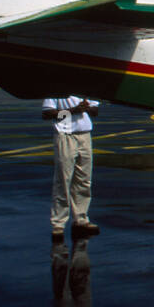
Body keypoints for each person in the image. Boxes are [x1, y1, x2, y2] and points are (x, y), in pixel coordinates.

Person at [41, 96, 101, 239]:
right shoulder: (56, 89)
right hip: (65, 134)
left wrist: (87, 108)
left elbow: (95, 111)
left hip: (85, 134)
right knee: (63, 179)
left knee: (84, 179)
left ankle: (81, 218)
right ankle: (58, 223)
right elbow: (47, 114)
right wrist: (72, 111)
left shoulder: (87, 89)